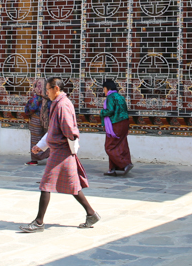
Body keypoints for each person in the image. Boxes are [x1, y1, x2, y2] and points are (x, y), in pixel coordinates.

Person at [19, 78, 100, 232]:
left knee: (45, 185)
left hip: (61, 151)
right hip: (61, 150)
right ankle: (91, 214)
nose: (46, 93)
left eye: (48, 89)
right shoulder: (58, 103)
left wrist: (71, 145)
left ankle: (38, 222)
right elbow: (53, 129)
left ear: (56, 89)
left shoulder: (62, 105)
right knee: (73, 185)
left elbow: (69, 130)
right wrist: (41, 146)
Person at [100, 78, 133, 176]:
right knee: (121, 144)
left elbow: (110, 111)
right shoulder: (120, 96)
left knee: (109, 146)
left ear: (107, 88)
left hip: (115, 123)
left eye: (104, 88)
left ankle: (125, 164)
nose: (104, 91)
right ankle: (112, 169)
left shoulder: (110, 97)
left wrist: (101, 112)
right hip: (124, 122)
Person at [24, 78, 50, 165]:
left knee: (35, 139)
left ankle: (34, 159)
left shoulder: (37, 97)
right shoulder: (51, 96)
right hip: (49, 120)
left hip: (36, 119)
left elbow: (31, 108)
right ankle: (50, 155)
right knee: (48, 138)